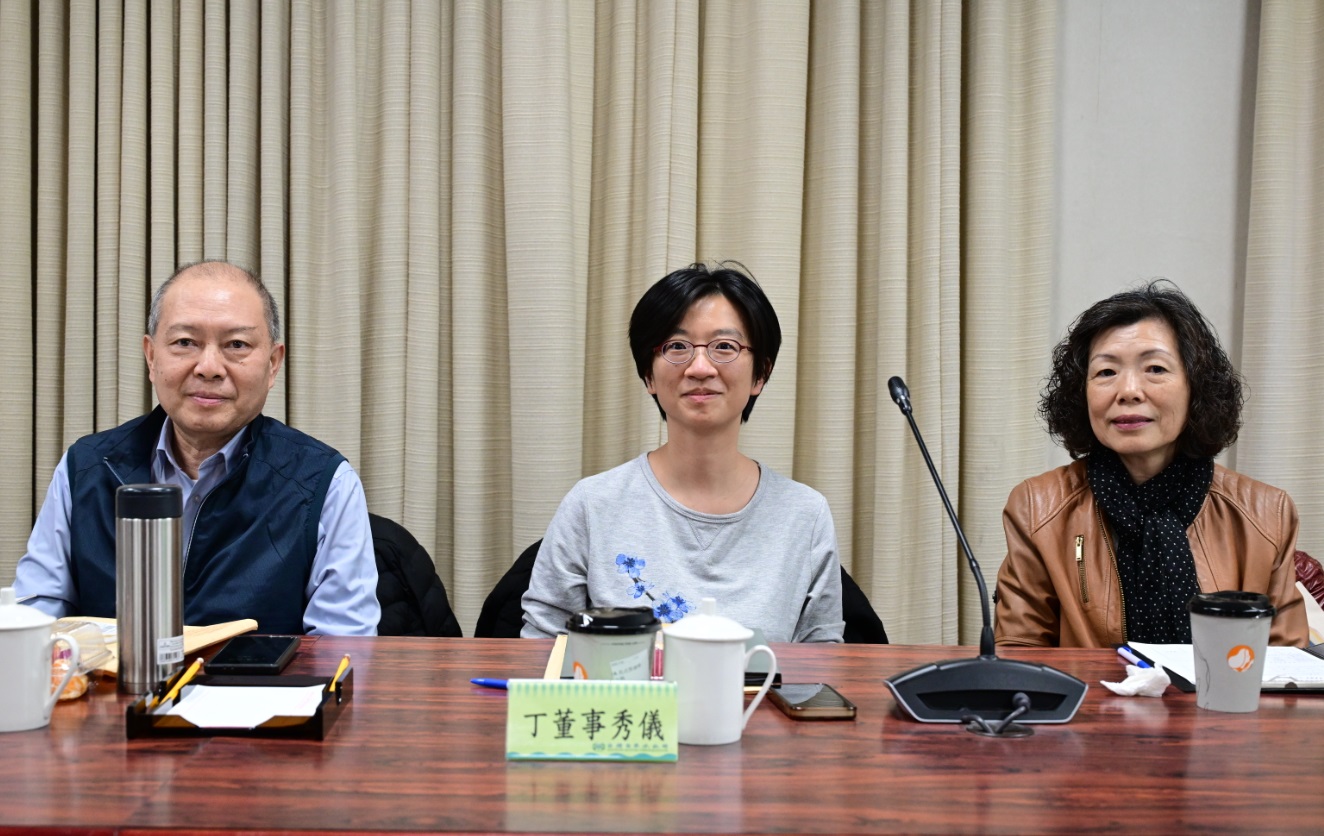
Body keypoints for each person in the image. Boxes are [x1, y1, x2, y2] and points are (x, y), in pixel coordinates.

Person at [14, 261, 380, 635]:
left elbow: (343, 651)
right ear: (151, 357)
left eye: (236, 345)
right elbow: (34, 627)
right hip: (116, 676)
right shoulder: (84, 469)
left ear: (273, 364)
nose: (208, 367)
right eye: (185, 342)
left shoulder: (324, 482)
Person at [520, 262, 844, 642]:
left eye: (725, 347)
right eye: (677, 347)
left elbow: (822, 659)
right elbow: (541, 646)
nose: (700, 367)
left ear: (760, 374)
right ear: (649, 375)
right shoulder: (593, 505)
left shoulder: (805, 515)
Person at [995, 281, 1306, 648]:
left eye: (1155, 368)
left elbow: (1288, 667)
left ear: (1195, 387)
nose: (1128, 390)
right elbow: (1020, 654)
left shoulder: (1266, 514)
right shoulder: (1037, 507)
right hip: (1086, 689)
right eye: (1106, 372)